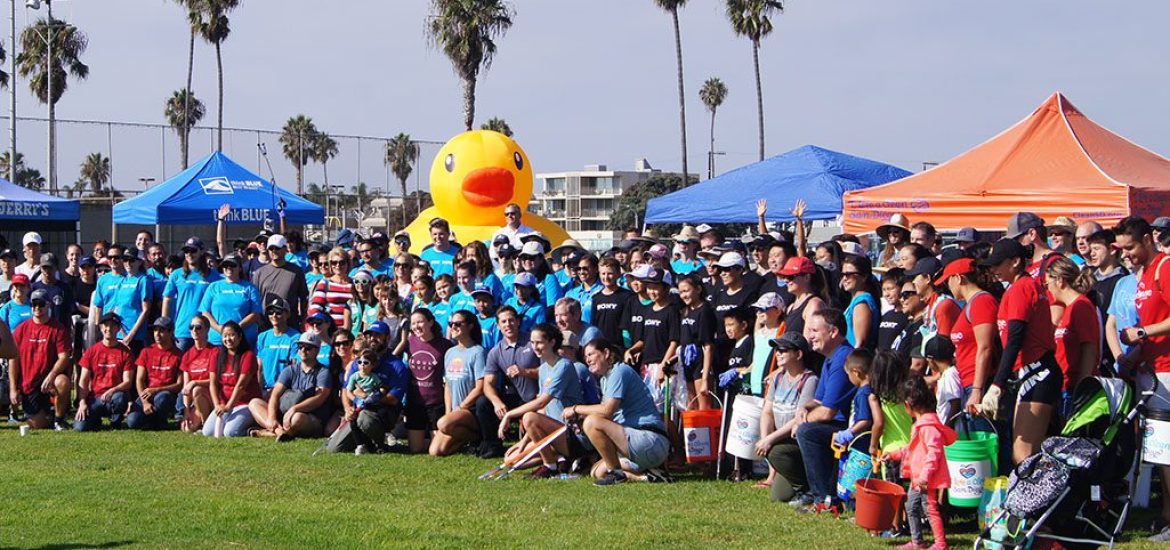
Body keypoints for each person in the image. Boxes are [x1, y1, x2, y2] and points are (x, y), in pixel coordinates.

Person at [1114, 216, 1170, 540]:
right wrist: (1132, 355)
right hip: (1150, 371)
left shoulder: (1164, 267)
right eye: (1122, 249)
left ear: (1148, 239)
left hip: (1166, 371)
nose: (1126, 255)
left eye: (1130, 247)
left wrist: (1142, 332)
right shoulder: (1144, 274)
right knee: (1160, 450)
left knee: (1165, 449)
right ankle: (1166, 516)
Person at [980, 238, 1059, 465]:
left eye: (997, 264)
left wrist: (998, 384)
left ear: (1015, 262)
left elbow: (1015, 338)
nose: (993, 269)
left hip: (1038, 370)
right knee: (1030, 453)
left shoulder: (1021, 287)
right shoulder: (1020, 287)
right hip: (1034, 371)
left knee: (1023, 456)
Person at [563, 338, 670, 486]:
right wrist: (580, 419)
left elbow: (607, 411)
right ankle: (647, 476)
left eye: (591, 354)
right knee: (597, 471)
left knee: (591, 423)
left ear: (606, 353)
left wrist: (576, 409)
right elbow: (606, 414)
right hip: (638, 444)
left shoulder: (619, 371)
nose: (587, 360)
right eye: (585, 356)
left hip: (649, 439)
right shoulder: (605, 379)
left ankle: (617, 474)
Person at [497, 324, 587, 478]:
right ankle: (560, 459)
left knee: (529, 416)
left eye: (539, 342)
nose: (535, 347)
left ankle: (550, 466)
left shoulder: (564, 366)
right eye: (532, 343)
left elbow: (541, 402)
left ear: (552, 342)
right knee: (512, 459)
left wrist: (509, 415)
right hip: (552, 433)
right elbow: (543, 411)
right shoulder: (544, 368)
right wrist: (523, 442)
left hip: (572, 434)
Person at [882, 376, 956, 550]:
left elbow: (934, 453)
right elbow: (911, 449)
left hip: (925, 479)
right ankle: (917, 542)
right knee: (911, 507)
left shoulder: (928, 427)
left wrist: (925, 476)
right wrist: (893, 455)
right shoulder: (921, 425)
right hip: (918, 478)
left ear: (908, 404)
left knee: (930, 508)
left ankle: (940, 544)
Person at [793, 308, 856, 509]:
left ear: (833, 332)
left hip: (849, 429)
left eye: (814, 331)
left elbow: (828, 411)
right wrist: (805, 408)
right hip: (834, 424)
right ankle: (810, 490)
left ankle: (824, 498)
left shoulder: (844, 358)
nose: (809, 336)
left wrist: (801, 422)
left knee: (806, 432)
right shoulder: (830, 358)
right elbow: (818, 400)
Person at [754, 332, 818, 499]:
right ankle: (777, 477)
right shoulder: (778, 377)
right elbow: (767, 412)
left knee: (775, 452)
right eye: (777, 350)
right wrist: (765, 438)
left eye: (783, 350)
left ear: (798, 354)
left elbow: (799, 418)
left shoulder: (809, 380)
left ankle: (806, 489)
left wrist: (769, 440)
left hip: (797, 442)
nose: (778, 354)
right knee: (779, 496)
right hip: (780, 441)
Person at [938, 258, 1000, 414]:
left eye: (948, 281)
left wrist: (977, 389)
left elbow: (985, 347)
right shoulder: (970, 304)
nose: (948, 286)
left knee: (983, 429)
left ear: (958, 278)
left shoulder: (981, 301)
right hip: (968, 382)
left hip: (980, 383)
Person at [476, 306, 540, 458]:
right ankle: (493, 445)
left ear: (518, 322)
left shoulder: (532, 342)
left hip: (537, 397)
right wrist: (496, 402)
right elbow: (488, 384)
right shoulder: (495, 351)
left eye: (511, 320)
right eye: (503, 322)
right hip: (515, 397)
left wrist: (525, 372)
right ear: (498, 325)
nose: (508, 325)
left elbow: (549, 370)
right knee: (483, 402)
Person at [249, 332, 334, 441]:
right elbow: (275, 394)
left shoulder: (323, 372)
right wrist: (271, 417)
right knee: (254, 403)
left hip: (310, 416)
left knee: (297, 418)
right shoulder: (290, 370)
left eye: (308, 348)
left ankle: (273, 432)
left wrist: (295, 409)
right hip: (284, 412)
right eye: (300, 346)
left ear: (317, 350)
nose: (303, 350)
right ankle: (279, 431)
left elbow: (319, 398)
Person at [9, 288, 72, 430]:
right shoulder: (21, 329)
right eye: (34, 304)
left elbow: (64, 357)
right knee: (37, 425)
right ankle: (50, 415)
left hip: (50, 382)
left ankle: (59, 420)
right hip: (29, 384)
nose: (37, 307)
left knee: (63, 381)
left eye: (41, 304)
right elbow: (13, 359)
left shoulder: (58, 329)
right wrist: (13, 388)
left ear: (48, 305)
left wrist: (51, 376)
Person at [1045, 256, 1101, 415]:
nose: (1048, 290)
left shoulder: (1081, 306)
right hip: (1064, 385)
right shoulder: (1068, 308)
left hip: (1074, 387)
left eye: (1047, 284)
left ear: (1059, 281)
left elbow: (1089, 347)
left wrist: (1082, 386)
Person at [429, 310, 488, 456]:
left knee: (443, 423)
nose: (453, 327)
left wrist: (461, 407)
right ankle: (464, 441)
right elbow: (447, 386)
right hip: (455, 412)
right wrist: (449, 412)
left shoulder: (478, 352)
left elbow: (480, 387)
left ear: (470, 326)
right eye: (450, 324)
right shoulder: (450, 353)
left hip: (470, 410)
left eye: (457, 324)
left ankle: (478, 437)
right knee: (435, 451)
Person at [74, 312, 135, 431]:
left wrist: (113, 390)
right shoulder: (91, 351)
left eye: (113, 325)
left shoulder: (126, 352)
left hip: (115, 397)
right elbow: (83, 381)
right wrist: (82, 403)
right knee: (80, 428)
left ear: (118, 328)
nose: (109, 328)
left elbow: (128, 382)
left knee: (119, 398)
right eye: (106, 325)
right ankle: (95, 420)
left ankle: (115, 422)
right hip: (95, 398)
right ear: (101, 328)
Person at [404, 308, 453, 453]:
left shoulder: (444, 345)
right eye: (413, 323)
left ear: (430, 322)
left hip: (436, 403)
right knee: (415, 449)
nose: (416, 326)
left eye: (420, 322)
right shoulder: (409, 342)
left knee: (436, 450)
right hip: (415, 402)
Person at [203, 321, 261, 437]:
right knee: (207, 432)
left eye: (232, 335)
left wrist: (229, 406)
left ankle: (255, 429)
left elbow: (240, 386)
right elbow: (213, 383)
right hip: (224, 404)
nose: (228, 339)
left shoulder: (248, 356)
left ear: (240, 336)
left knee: (230, 432)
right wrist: (217, 405)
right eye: (225, 336)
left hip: (245, 403)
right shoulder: (217, 355)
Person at [163, 237, 221, 351]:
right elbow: (167, 299)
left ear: (201, 251)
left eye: (193, 251)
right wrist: (165, 325)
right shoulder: (176, 274)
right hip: (183, 330)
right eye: (186, 251)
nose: (189, 254)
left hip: (207, 331)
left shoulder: (215, 276)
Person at [92, 244, 153, 353]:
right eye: (125, 260)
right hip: (118, 333)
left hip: (135, 335)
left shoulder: (143, 280)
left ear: (139, 262)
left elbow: (146, 310)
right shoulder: (123, 280)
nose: (128, 263)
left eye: (132, 260)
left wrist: (131, 334)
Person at [126, 317, 183, 430]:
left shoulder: (179, 355)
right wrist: (145, 402)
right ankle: (151, 418)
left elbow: (180, 384)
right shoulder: (146, 351)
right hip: (147, 394)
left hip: (166, 394)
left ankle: (159, 420)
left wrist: (156, 390)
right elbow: (139, 380)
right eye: (155, 330)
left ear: (170, 332)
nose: (157, 334)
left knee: (163, 398)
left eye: (161, 330)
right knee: (132, 422)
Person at [198, 254, 262, 346]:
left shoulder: (250, 288)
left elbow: (255, 313)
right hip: (217, 339)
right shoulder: (213, 287)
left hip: (243, 339)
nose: (229, 268)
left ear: (240, 268)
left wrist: (235, 329)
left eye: (232, 265)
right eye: (225, 265)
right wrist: (219, 328)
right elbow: (205, 312)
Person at [252, 234, 309, 327]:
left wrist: (303, 319)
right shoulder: (259, 273)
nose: (274, 251)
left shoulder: (296, 271)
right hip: (266, 325)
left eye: (277, 248)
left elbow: (303, 298)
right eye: (271, 248)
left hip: (290, 324)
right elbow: (254, 301)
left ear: (285, 249)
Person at [678, 274, 717, 408]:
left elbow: (708, 346)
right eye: (681, 292)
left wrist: (705, 378)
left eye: (686, 291)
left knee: (703, 405)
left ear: (698, 289)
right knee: (691, 405)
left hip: (700, 360)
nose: (683, 295)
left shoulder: (705, 311)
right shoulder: (685, 311)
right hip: (686, 359)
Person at [254, 297, 301, 394]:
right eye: (271, 312)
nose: (274, 315)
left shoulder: (296, 337)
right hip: (265, 389)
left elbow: (294, 366)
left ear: (288, 314)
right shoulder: (262, 337)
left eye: (278, 312)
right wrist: (258, 390)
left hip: (285, 390)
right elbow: (259, 367)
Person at [179, 315, 217, 433]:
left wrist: (195, 382)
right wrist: (186, 411)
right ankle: (201, 420)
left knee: (196, 389)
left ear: (207, 330)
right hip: (197, 399)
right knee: (187, 428)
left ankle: (205, 426)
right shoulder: (187, 355)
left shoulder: (215, 351)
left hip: (213, 395)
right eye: (191, 327)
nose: (194, 330)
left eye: (198, 327)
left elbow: (216, 381)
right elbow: (186, 388)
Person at [591, 257, 635, 348]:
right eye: (603, 273)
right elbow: (594, 324)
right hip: (601, 346)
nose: (606, 277)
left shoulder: (627, 296)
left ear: (618, 274)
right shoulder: (596, 298)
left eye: (610, 273)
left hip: (620, 346)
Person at [308, 248, 354, 330]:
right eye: (334, 262)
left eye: (342, 262)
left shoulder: (354, 284)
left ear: (348, 263)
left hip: (352, 331)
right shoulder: (325, 283)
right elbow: (315, 308)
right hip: (330, 330)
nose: (338, 265)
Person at [840, 255, 879, 351]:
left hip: (855, 357)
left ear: (864, 277)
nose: (844, 278)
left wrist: (850, 360)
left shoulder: (862, 303)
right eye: (842, 274)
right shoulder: (856, 300)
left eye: (849, 274)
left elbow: (860, 343)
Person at [878, 269, 910, 350]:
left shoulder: (909, 316)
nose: (886, 294)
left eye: (890, 289)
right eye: (884, 289)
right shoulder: (886, 315)